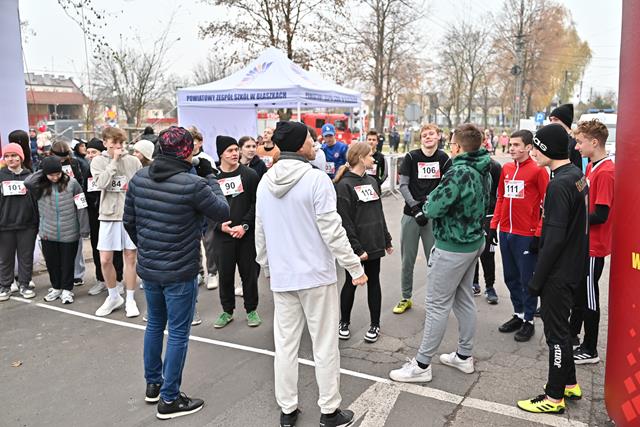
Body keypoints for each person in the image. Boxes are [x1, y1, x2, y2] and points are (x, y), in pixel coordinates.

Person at [256, 121, 366, 427]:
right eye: (309, 139)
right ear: (299, 144)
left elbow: (260, 232)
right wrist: (354, 267)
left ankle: (287, 409)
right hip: (316, 275)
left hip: (283, 276)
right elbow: (332, 229)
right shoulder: (316, 179)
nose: (314, 143)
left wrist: (266, 266)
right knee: (325, 345)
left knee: (285, 346)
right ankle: (329, 411)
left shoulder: (265, 182)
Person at [123, 126, 229, 419]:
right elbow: (222, 211)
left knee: (155, 324)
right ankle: (169, 399)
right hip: (180, 268)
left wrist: (149, 247)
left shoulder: (140, 178)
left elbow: (129, 221)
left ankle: (153, 384)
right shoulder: (193, 184)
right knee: (178, 332)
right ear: (186, 151)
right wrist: (211, 178)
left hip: (151, 266)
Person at [389, 123, 490, 384]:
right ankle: (464, 356)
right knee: (464, 299)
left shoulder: (457, 172)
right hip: (473, 240)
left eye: (452, 143)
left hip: (453, 246)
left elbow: (433, 207)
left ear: (458, 147)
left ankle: (422, 365)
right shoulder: (484, 167)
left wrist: (429, 200)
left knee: (436, 305)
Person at [517, 123, 588, 414]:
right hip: (572, 267)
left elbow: (556, 238)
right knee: (562, 331)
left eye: (536, 147)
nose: (532, 152)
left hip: (558, 272)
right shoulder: (576, 175)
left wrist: (537, 280)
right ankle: (569, 383)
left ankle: (553, 397)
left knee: (556, 336)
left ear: (548, 149)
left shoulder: (558, 184)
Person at [490, 130, 548, 341]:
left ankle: (529, 320)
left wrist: (538, 233)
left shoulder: (538, 170)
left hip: (526, 234)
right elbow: (501, 198)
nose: (512, 148)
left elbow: (547, 204)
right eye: (511, 144)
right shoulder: (506, 168)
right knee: (510, 277)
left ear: (528, 147)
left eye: (516, 145)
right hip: (506, 232)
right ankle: (519, 313)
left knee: (527, 279)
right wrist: (494, 225)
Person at [334, 142, 393, 343]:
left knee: (374, 282)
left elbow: (379, 212)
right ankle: (344, 322)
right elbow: (345, 221)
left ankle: (375, 325)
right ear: (360, 158)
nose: (373, 159)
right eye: (370, 156)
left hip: (374, 242)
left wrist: (386, 238)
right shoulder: (343, 185)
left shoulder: (372, 181)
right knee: (351, 283)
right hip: (355, 247)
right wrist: (357, 249)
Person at [393, 123, 451, 314]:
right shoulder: (411, 157)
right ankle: (405, 297)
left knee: (434, 261)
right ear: (421, 138)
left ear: (438, 136)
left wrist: (430, 204)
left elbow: (445, 186)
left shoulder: (444, 158)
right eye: (424, 135)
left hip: (432, 216)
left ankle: (434, 299)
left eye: (431, 134)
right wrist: (415, 208)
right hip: (411, 215)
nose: (428, 137)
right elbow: (403, 185)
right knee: (407, 260)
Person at [569, 119, 615, 364]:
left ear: (594, 142)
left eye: (579, 142)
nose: (576, 147)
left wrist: (571, 218)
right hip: (584, 244)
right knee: (580, 295)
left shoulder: (606, 172)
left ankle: (590, 349)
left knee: (589, 298)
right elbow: (582, 196)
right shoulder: (591, 167)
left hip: (593, 247)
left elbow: (601, 214)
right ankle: (574, 336)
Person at [90, 127, 142, 317]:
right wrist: (113, 162)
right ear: (105, 143)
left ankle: (130, 299)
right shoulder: (98, 161)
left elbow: (140, 186)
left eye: (121, 143)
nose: (118, 147)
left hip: (130, 215)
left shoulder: (133, 161)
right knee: (105, 259)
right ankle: (113, 296)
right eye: (114, 143)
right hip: (108, 215)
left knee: (130, 257)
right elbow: (101, 183)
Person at [212, 136, 261, 329]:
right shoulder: (213, 179)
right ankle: (227, 311)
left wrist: (245, 226)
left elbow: (256, 204)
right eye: (230, 151)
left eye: (235, 149)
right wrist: (219, 226)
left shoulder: (250, 175)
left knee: (249, 274)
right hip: (223, 236)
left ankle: (251, 310)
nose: (235, 153)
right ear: (221, 154)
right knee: (225, 275)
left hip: (245, 235)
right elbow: (206, 208)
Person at [25, 157, 90, 304]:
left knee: (68, 263)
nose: (55, 177)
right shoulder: (39, 185)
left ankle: (67, 290)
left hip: (70, 231)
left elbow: (81, 206)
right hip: (47, 232)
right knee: (52, 263)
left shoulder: (73, 183)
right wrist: (43, 170)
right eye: (51, 175)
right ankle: (56, 287)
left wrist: (84, 228)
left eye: (57, 174)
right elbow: (27, 182)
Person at [84, 138, 124, 296]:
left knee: (116, 248)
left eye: (93, 152)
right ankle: (101, 279)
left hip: (111, 212)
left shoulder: (113, 167)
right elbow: (85, 190)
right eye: (88, 152)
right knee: (97, 247)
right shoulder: (88, 169)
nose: (90, 155)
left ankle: (118, 279)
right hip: (94, 214)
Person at [0, 143, 39, 301]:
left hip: (27, 225)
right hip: (4, 225)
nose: (11, 159)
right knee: (5, 258)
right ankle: (5, 286)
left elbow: (36, 200)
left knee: (26, 257)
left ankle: (25, 284)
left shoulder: (30, 176)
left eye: (14, 155)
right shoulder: (1, 176)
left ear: (21, 157)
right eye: (7, 156)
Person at [187, 126, 218, 290]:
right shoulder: (183, 159)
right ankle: (198, 272)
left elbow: (213, 181)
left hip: (206, 204)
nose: (191, 145)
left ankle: (212, 272)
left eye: (194, 142)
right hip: (190, 206)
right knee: (193, 240)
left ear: (200, 143)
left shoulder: (207, 159)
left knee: (209, 240)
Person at [473, 154, 502, 303]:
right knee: (471, 251)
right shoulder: (463, 163)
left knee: (487, 253)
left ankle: (490, 286)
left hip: (489, 214)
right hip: (470, 214)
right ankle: (474, 283)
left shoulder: (494, 166)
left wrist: (496, 219)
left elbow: (500, 194)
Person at [549, 103, 582, 170]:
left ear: (565, 121)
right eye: (551, 120)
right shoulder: (556, 140)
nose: (552, 123)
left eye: (555, 119)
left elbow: (579, 169)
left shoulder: (575, 142)